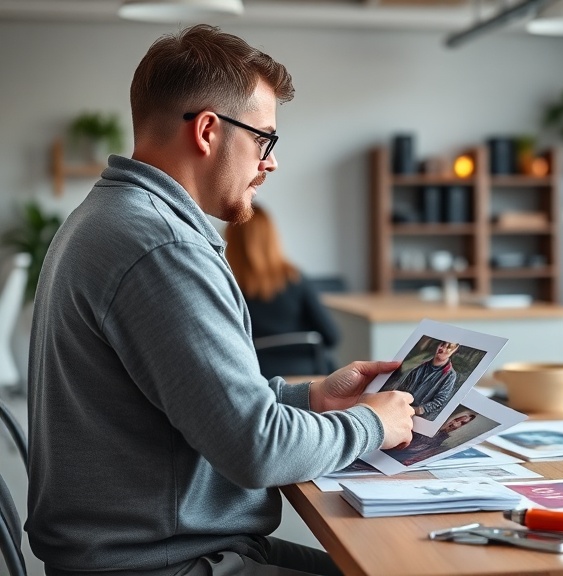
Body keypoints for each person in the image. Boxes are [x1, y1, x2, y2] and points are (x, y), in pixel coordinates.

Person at [26, 24, 415, 576]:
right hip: (164, 563)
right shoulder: (161, 247)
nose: (270, 162)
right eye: (264, 139)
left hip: (161, 550)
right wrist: (372, 424)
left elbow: (205, 406)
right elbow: (257, 449)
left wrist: (313, 397)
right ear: (208, 130)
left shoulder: (112, 217)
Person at [225, 204, 340, 378]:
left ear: (232, 242)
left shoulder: (229, 288)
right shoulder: (296, 279)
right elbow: (332, 336)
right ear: (271, 237)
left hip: (259, 379)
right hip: (309, 376)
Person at [381, 340, 460, 420]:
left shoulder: (450, 375)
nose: (442, 349)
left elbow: (439, 401)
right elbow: (403, 385)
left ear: (453, 351)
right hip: (397, 406)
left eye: (448, 348)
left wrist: (418, 410)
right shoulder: (419, 364)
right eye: (442, 345)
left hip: (413, 417)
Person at [384, 410, 477, 465]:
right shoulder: (426, 420)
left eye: (462, 423)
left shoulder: (442, 438)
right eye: (457, 420)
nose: (456, 425)